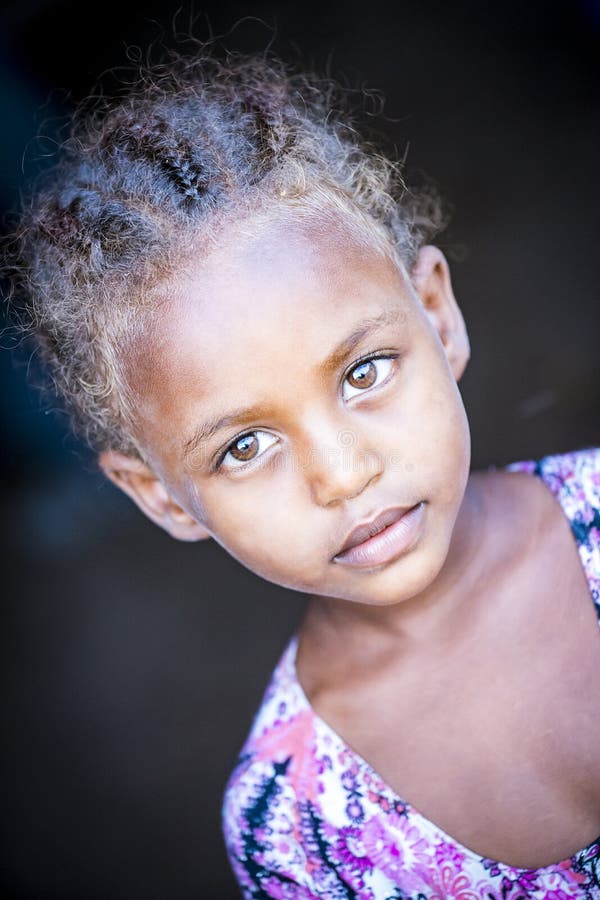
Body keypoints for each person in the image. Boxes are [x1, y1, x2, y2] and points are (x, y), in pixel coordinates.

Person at [4, 47, 600, 898]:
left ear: (438, 317)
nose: (344, 473)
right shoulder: (295, 831)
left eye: (365, 372)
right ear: (160, 496)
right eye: (243, 446)